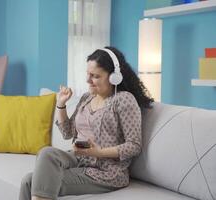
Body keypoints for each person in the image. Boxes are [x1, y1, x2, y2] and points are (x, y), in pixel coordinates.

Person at [19, 47, 154, 200]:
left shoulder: (123, 99)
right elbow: (67, 133)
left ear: (113, 77)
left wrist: (99, 152)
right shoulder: (86, 98)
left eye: (95, 76)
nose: (88, 80)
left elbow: (134, 145)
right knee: (46, 153)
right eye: (88, 74)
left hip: (105, 171)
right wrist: (61, 104)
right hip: (79, 158)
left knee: (29, 182)